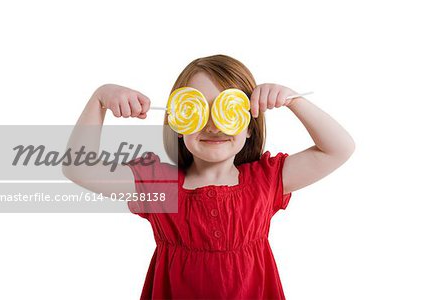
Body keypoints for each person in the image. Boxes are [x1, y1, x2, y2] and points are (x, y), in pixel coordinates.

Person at [63, 54, 355, 299]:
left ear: (251, 126)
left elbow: (338, 149)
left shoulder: (266, 180)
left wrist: (293, 100)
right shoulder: (159, 186)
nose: (214, 125)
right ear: (178, 121)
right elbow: (78, 167)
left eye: (229, 111)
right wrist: (99, 99)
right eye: (197, 110)